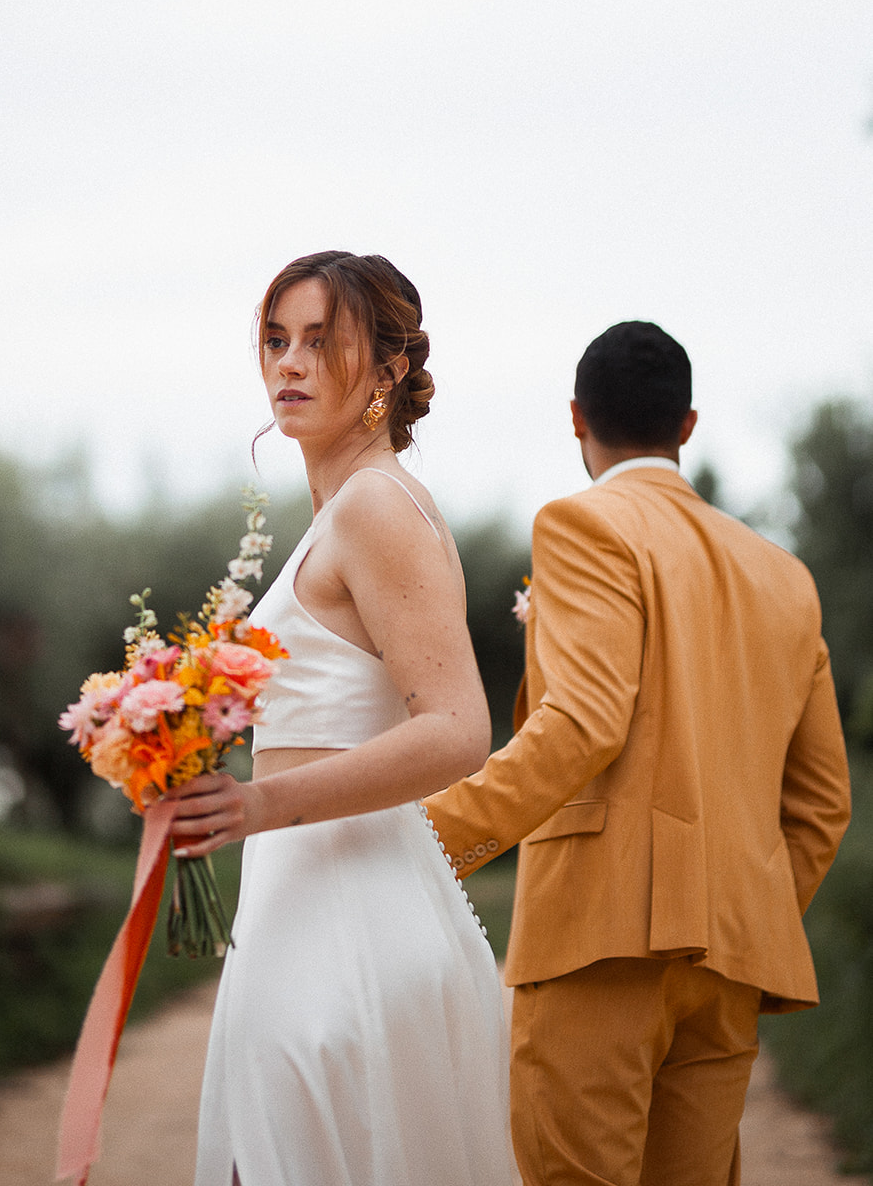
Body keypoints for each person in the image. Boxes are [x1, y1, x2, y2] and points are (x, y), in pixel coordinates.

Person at [425, 319, 851, 1186]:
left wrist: (425, 840)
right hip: (733, 962)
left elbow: (582, 722)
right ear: (686, 426)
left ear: (575, 417)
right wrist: (748, 904)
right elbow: (820, 804)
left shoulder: (583, 526)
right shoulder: (784, 575)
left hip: (597, 943)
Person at [167, 250, 516, 1186]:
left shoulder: (372, 507)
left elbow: (455, 728)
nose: (288, 363)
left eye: (322, 343)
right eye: (276, 340)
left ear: (390, 371)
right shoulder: (346, 512)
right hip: (301, 908)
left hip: (347, 929)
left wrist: (254, 808)